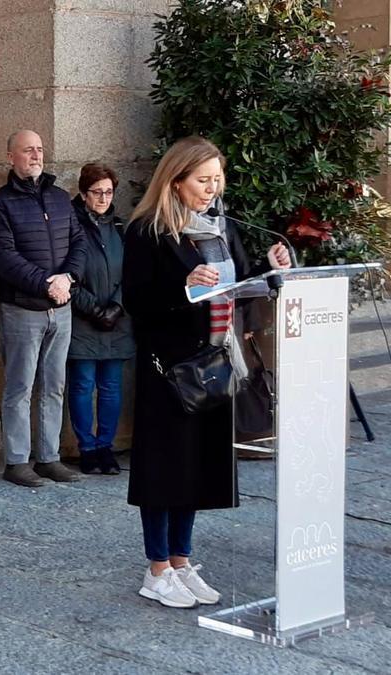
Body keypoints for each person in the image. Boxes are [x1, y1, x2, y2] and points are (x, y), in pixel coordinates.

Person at [122, 135, 291, 609]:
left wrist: (270, 268)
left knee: (194, 466)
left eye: (217, 179)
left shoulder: (221, 227)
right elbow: (135, 300)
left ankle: (180, 560)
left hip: (218, 361)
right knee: (164, 468)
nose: (212, 189)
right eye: (202, 180)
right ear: (175, 181)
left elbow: (234, 283)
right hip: (170, 368)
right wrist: (182, 285)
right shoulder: (147, 231)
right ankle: (155, 569)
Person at [0, 130, 87, 487]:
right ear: (10, 156)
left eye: (39, 150)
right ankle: (16, 462)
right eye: (28, 150)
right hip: (23, 309)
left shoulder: (60, 198)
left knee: (54, 385)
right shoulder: (0, 202)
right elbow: (4, 257)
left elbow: (79, 242)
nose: (36, 156)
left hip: (61, 308)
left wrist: (68, 278)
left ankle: (48, 457)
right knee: (20, 386)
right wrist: (47, 282)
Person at [67, 163, 134, 475]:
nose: (104, 198)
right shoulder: (71, 225)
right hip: (84, 318)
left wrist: (117, 307)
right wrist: (94, 309)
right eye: (97, 192)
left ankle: (106, 446)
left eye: (108, 192)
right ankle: (87, 448)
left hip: (117, 320)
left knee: (111, 386)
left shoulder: (120, 228)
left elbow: (134, 273)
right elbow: (67, 274)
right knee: (82, 384)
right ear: (83, 194)